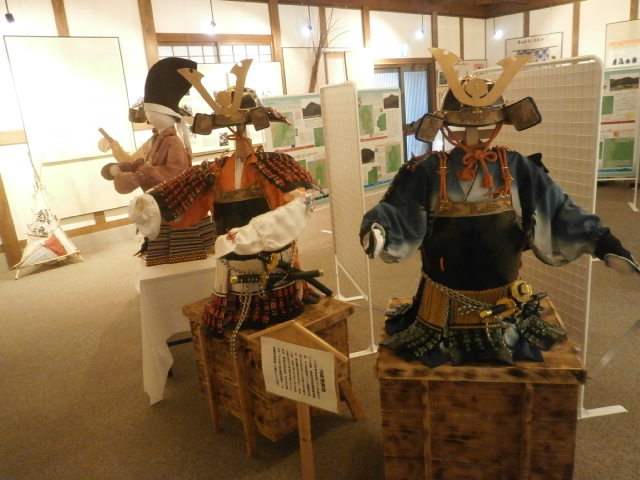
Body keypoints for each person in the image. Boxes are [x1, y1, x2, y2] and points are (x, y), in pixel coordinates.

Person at [360, 48, 640, 367]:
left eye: (483, 128)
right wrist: (379, 230)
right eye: (463, 128)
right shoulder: (428, 170)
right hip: (439, 308)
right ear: (445, 126)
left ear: (498, 124)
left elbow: (559, 209)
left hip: (506, 304)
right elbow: (398, 207)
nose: (473, 136)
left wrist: (604, 243)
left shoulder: (517, 167)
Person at [129, 61, 323, 339]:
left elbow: (301, 204)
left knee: (278, 317)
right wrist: (148, 205)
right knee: (231, 318)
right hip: (230, 262)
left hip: (273, 260)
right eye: (233, 126)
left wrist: (258, 232)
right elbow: (179, 197)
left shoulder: (276, 165)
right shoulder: (214, 171)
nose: (238, 131)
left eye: (242, 124)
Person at [101, 57, 214, 264]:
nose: (148, 115)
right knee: (160, 235)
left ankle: (183, 253)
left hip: (175, 201)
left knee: (178, 238)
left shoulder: (172, 142)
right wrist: (125, 167)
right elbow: (145, 161)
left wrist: (141, 175)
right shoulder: (156, 139)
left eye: (151, 112)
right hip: (160, 198)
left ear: (165, 115)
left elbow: (176, 172)